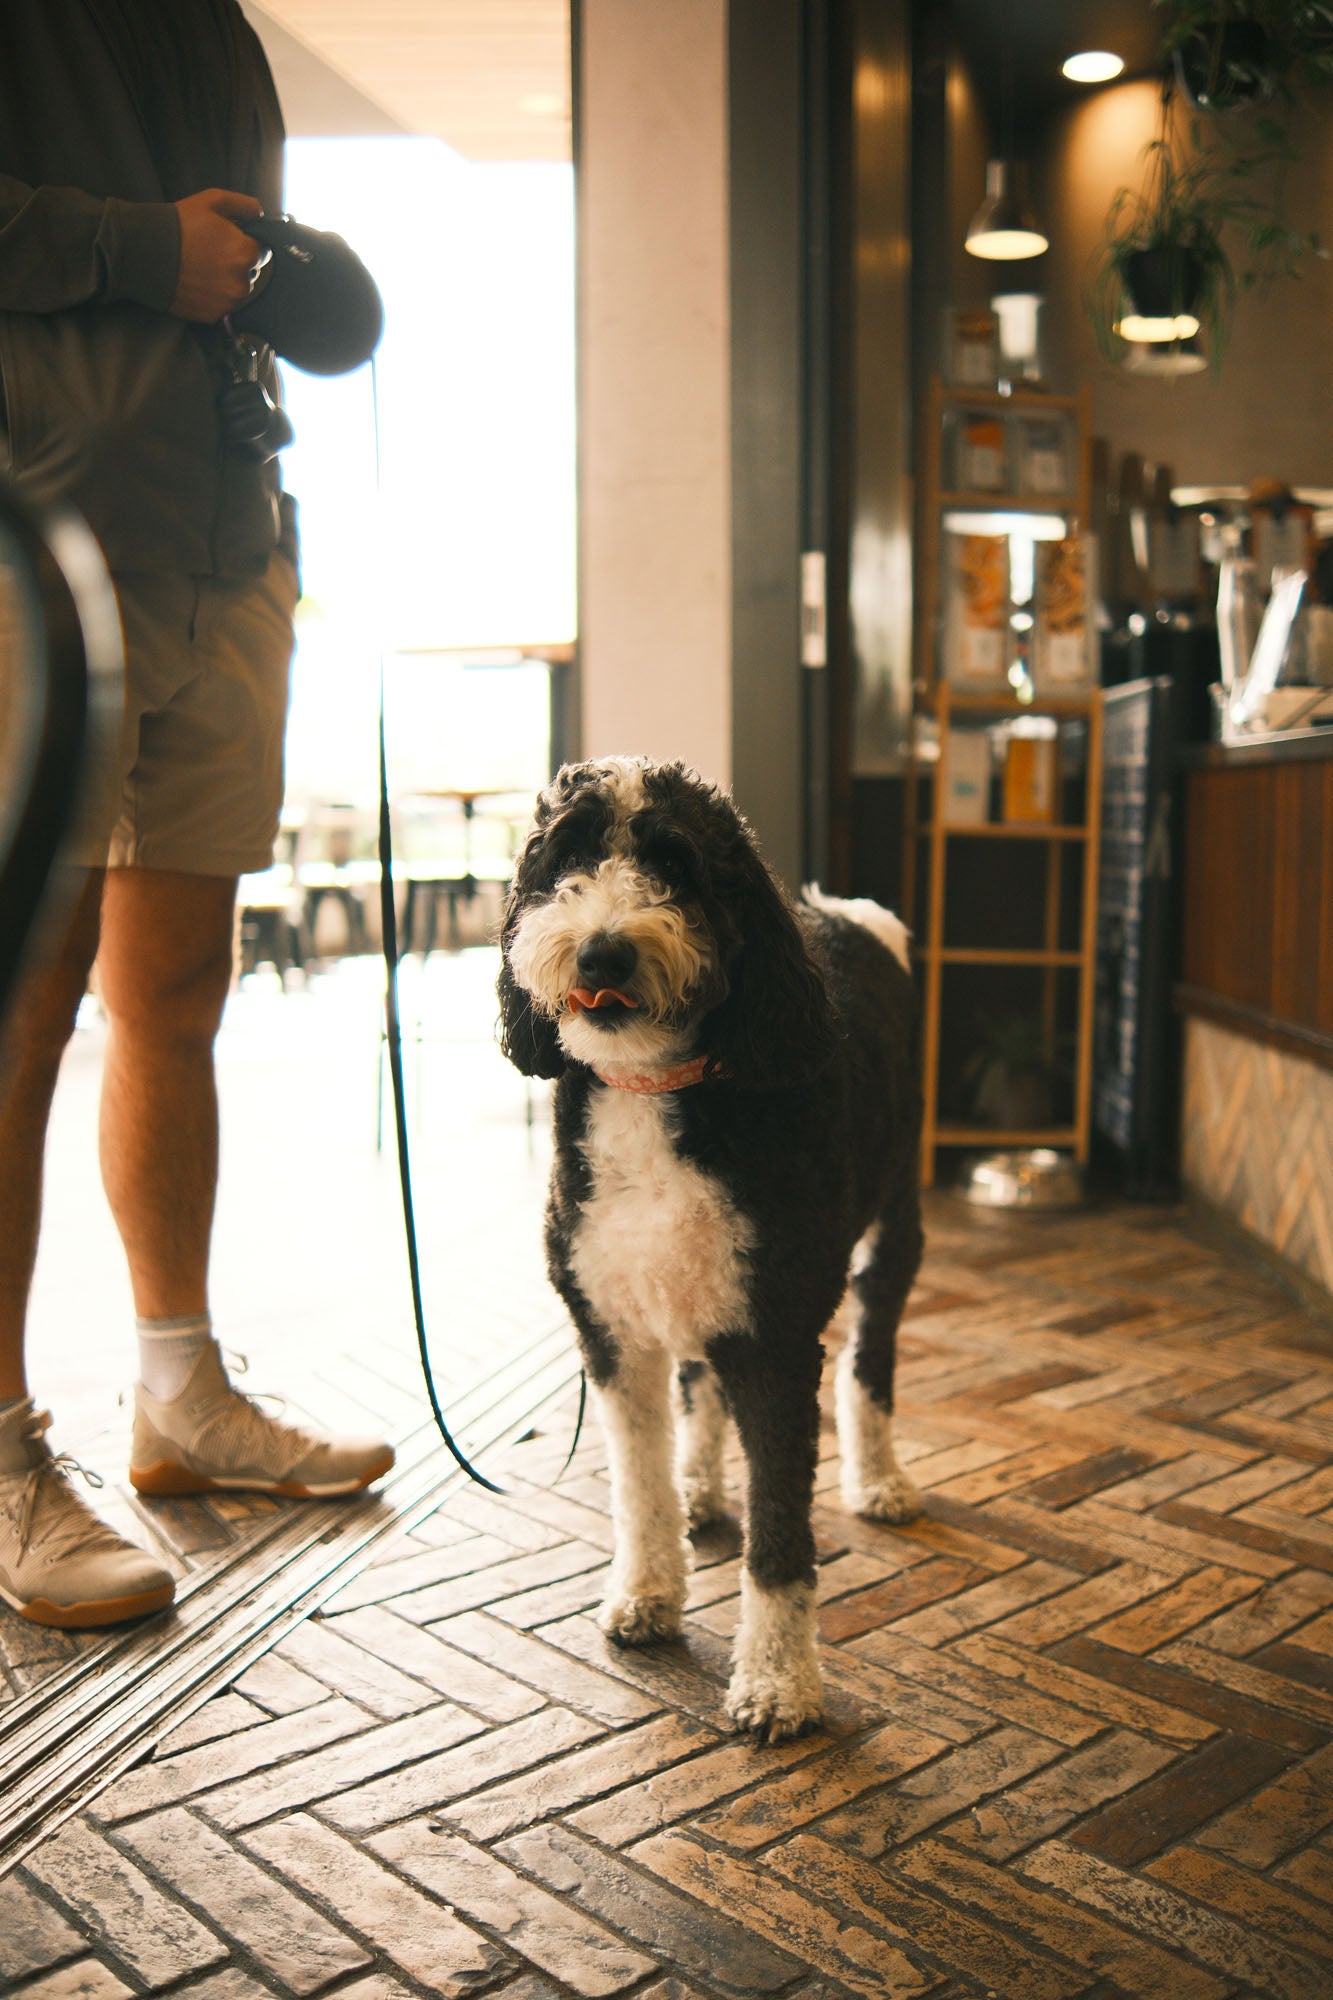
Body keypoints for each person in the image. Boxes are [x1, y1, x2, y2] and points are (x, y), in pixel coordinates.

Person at [0, 0, 394, 1631]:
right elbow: (131, 247)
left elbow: (220, 258)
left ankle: (179, 1396)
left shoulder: (217, 29)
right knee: (22, 1003)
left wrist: (282, 278)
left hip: (229, 542)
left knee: (173, 991)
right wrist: (133, 248)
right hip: (40, 535)